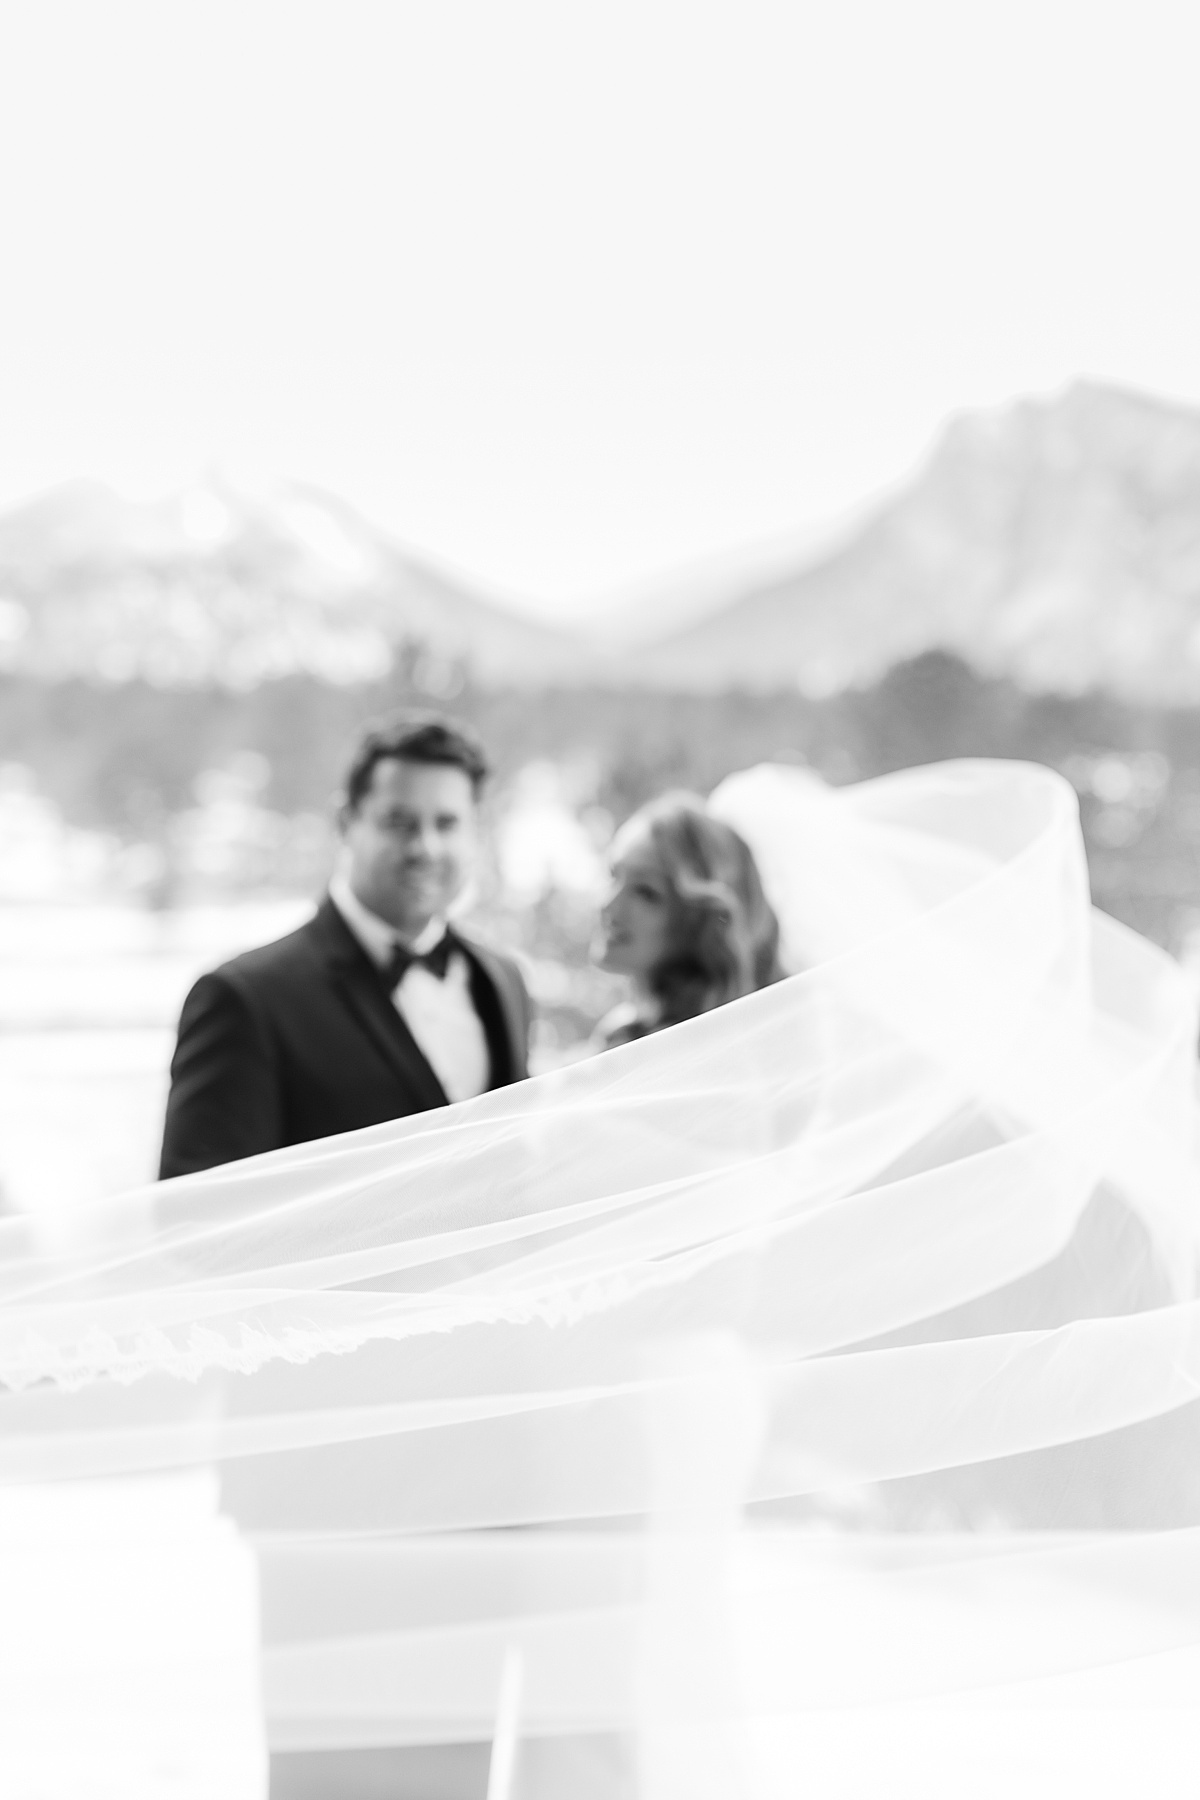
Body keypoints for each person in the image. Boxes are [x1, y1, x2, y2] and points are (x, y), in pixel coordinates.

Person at [158, 713, 532, 1179]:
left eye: (447, 823)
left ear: (475, 830)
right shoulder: (245, 999)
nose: (425, 848)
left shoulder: (504, 980)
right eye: (399, 822)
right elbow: (194, 1224)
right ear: (346, 822)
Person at [591, 789, 785, 1047]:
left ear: (696, 920)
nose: (609, 905)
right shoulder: (625, 1028)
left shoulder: (690, 1047)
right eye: (613, 875)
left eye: (646, 892)